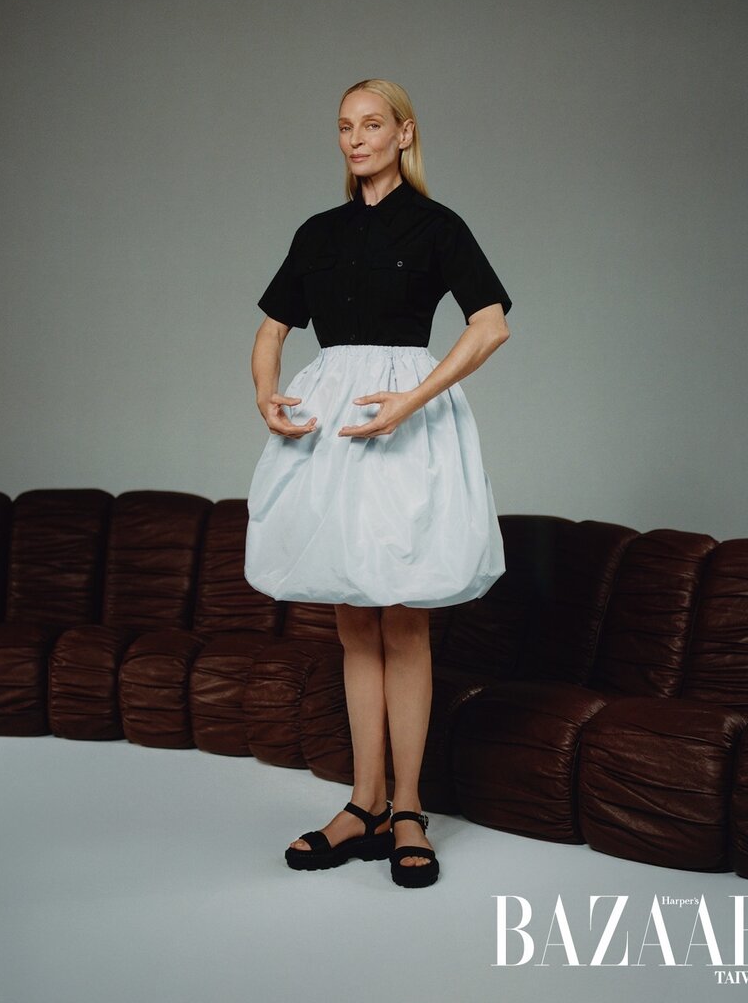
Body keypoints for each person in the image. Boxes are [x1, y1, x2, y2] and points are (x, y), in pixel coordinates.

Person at [244, 78, 512, 888]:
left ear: (404, 133)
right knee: (353, 620)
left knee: (404, 619)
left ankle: (408, 808)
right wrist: (265, 395)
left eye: (370, 125)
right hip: (329, 429)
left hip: (404, 425)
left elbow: (490, 324)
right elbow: (272, 330)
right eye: (344, 127)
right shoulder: (318, 232)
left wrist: (414, 398)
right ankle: (363, 805)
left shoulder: (437, 226)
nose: (355, 139)